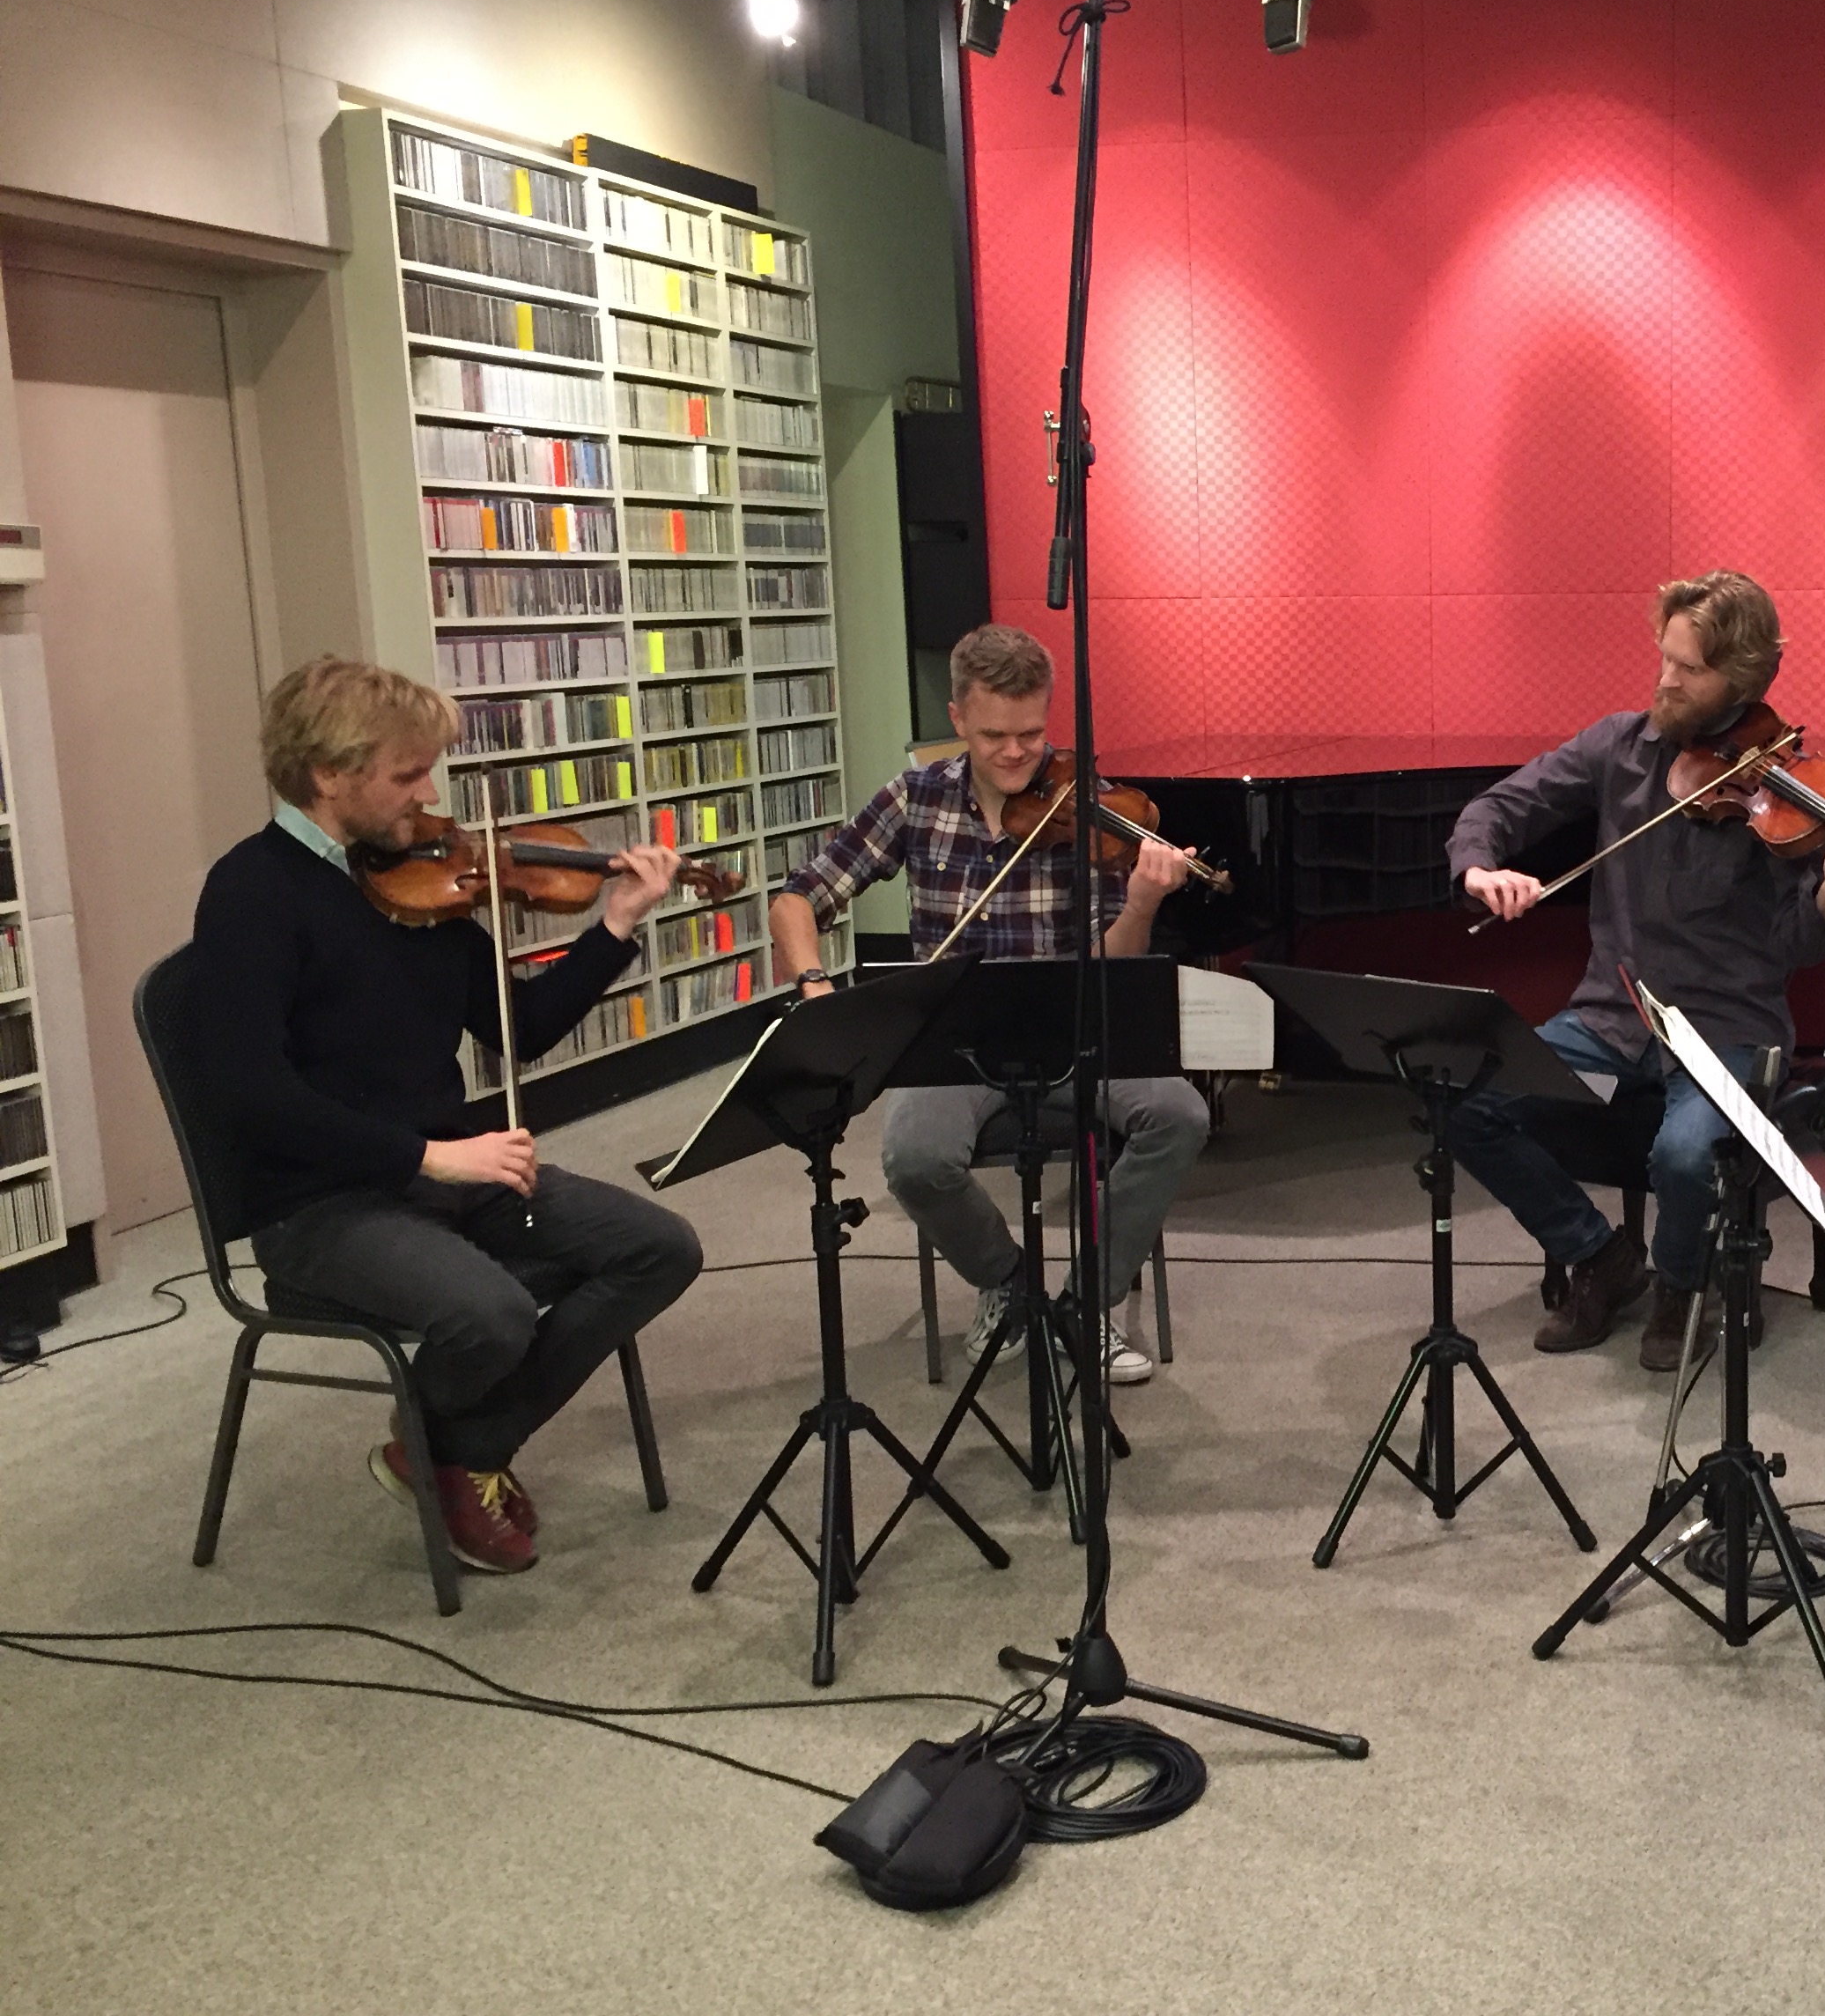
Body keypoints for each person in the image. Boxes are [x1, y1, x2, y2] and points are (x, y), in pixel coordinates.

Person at [194, 655, 703, 1577]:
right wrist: (426, 1156)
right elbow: (250, 1094)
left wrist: (617, 923)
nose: (429, 796)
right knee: (493, 1314)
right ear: (327, 775)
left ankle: (450, 1448)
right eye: (406, 775)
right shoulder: (252, 893)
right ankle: (456, 1458)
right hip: (320, 1205)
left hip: (449, 1171)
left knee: (659, 1248)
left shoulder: (420, 885)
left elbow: (524, 1029)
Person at [1445, 571, 1825, 1370]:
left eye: (1689, 669)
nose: (1666, 680)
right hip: (1609, 1021)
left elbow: (1798, 946)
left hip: (1725, 1029)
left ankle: (1683, 1286)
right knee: (1466, 1098)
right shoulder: (1619, 746)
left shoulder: (1781, 790)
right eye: (1665, 658)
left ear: (1743, 681)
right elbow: (1497, 809)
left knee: (1684, 1155)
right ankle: (1600, 1256)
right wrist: (1480, 867)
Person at [769, 623, 1208, 1386]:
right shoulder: (915, 800)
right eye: (994, 735)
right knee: (914, 1159)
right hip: (956, 1045)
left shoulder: (1088, 804)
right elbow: (798, 899)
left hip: (1072, 1032)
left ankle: (1086, 1304)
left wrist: (1141, 901)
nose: (1015, 754)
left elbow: (1117, 962)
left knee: (1181, 1116)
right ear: (958, 717)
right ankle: (1009, 1283)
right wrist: (814, 985)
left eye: (1031, 735)